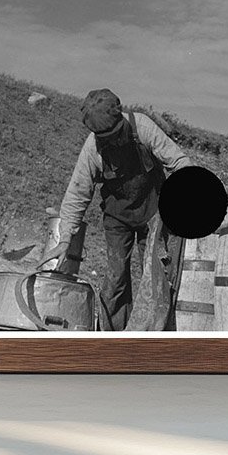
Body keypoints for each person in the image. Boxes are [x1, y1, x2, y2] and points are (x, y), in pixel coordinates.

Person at [50, 88, 190, 330]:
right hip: (117, 218)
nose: (111, 142)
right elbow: (77, 194)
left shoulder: (142, 127)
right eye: (104, 138)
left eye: (114, 135)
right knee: (116, 277)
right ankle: (112, 335)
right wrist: (64, 240)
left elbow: (178, 161)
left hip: (155, 213)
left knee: (156, 274)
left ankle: (157, 334)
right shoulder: (93, 148)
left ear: (120, 119)